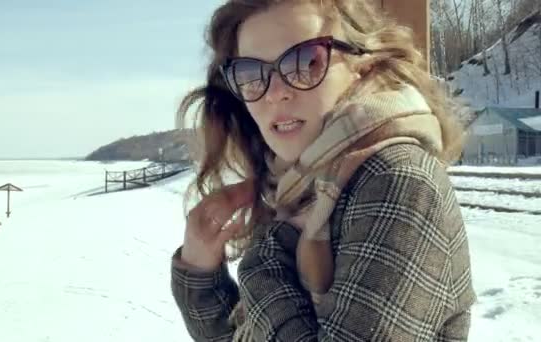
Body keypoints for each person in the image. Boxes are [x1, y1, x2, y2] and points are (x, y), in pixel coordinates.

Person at [170, 0, 477, 341]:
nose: (275, 94)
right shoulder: (296, 190)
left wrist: (263, 259)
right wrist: (199, 271)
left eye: (306, 61)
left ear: (365, 62)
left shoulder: (397, 180)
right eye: (250, 73)